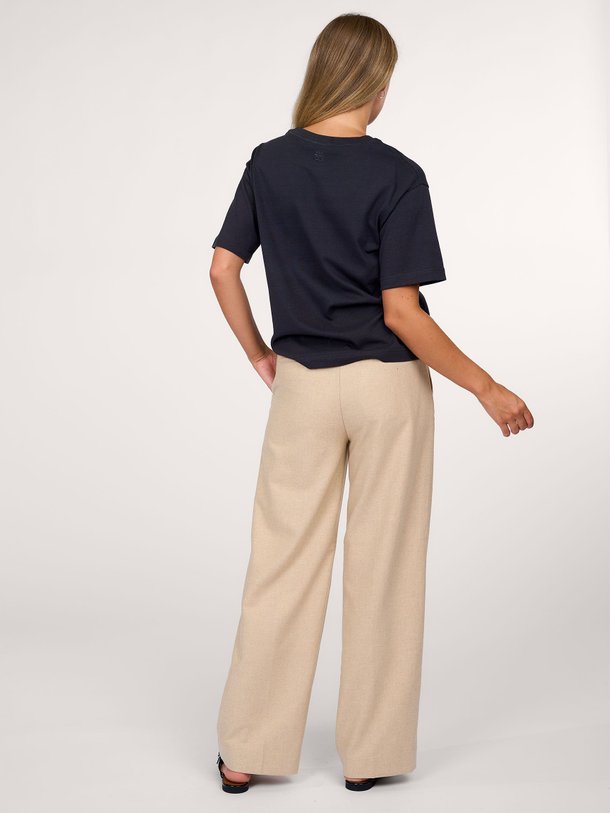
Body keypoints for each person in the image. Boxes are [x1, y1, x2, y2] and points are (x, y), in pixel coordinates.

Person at [209, 12, 534, 794]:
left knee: (281, 563)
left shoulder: (269, 162)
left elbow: (222, 268)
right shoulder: (397, 175)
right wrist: (485, 385)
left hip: (301, 385)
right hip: (388, 388)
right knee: (385, 567)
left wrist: (260, 353)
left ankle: (247, 750)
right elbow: (402, 313)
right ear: (377, 82)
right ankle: (372, 755)